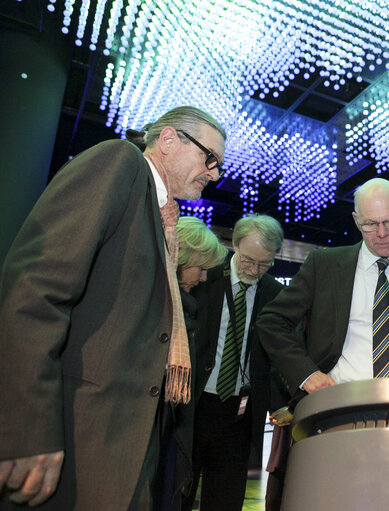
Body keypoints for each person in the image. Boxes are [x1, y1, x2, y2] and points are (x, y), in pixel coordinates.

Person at [0, 106, 225, 510]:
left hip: (123, 444)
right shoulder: (119, 163)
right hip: (74, 434)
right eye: (210, 158)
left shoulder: (161, 217)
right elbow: (37, 290)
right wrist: (27, 429)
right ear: (169, 140)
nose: (213, 173)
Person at [258, 177, 389, 396]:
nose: (382, 233)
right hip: (341, 402)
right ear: (356, 220)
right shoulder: (324, 266)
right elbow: (272, 321)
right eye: (370, 224)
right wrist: (306, 374)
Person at [183, 214, 286, 511]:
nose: (255, 270)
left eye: (265, 263)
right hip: (193, 404)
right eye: (248, 260)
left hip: (239, 415)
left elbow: (276, 357)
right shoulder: (205, 278)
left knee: (226, 499)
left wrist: (278, 402)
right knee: (179, 490)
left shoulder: (275, 294)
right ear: (235, 245)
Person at [158, 216, 227, 511]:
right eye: (200, 269)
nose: (202, 279)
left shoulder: (185, 309)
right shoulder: (164, 309)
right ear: (180, 256)